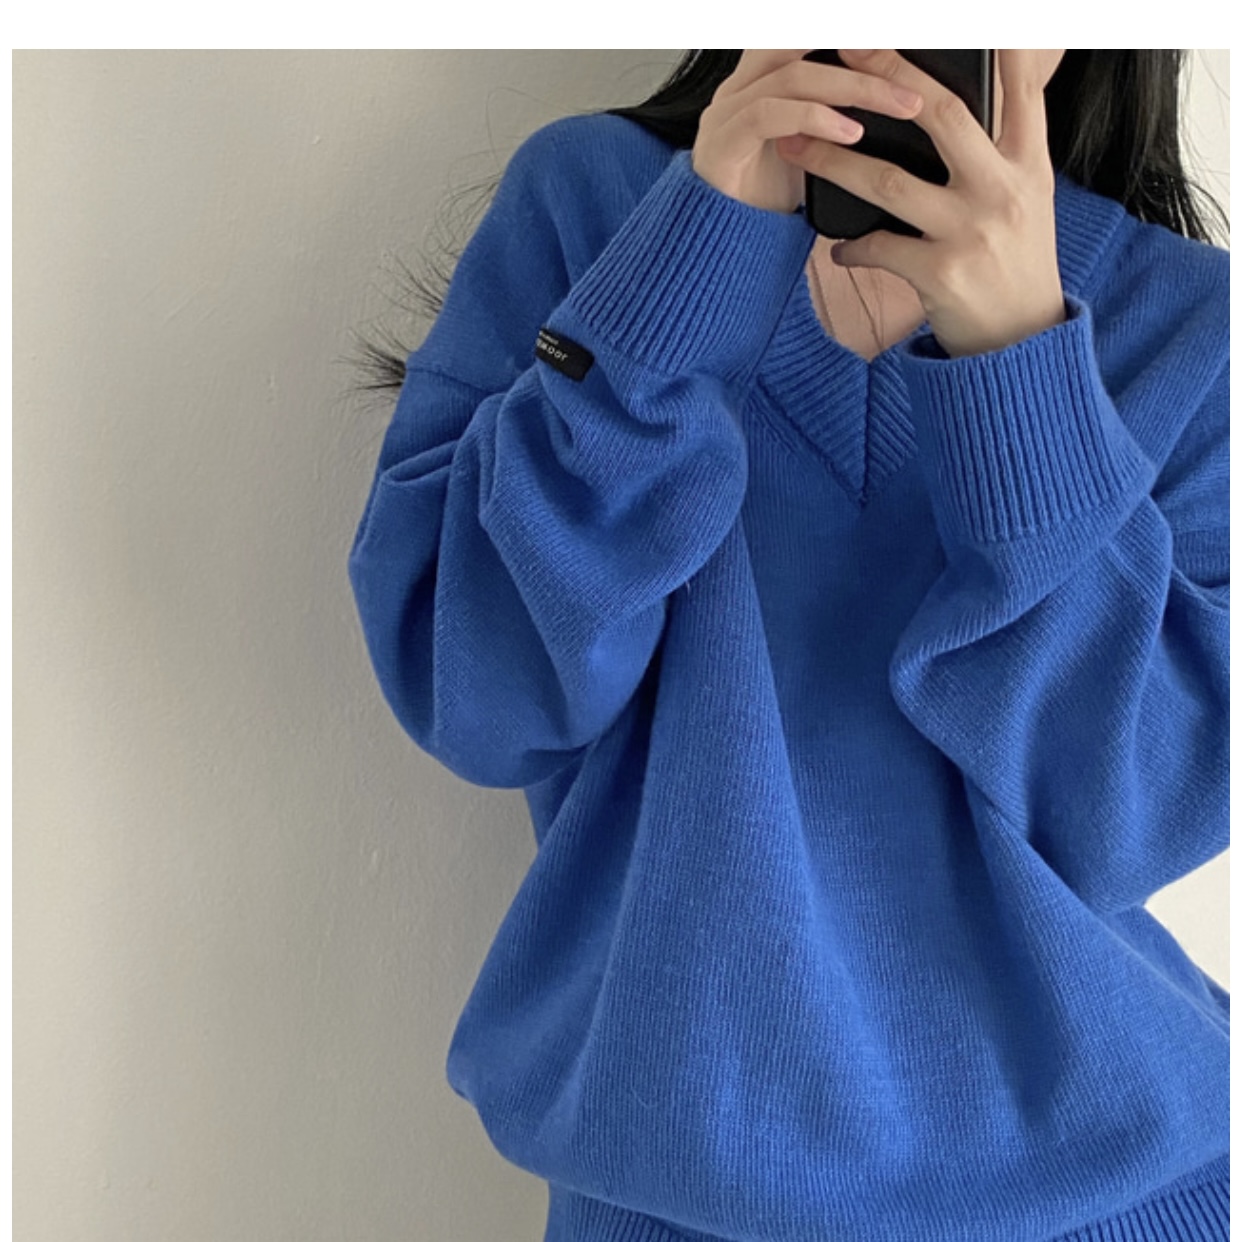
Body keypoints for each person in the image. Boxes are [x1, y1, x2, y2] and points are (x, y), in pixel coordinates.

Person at [347, 50, 1230, 1242]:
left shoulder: (1188, 324)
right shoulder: (592, 208)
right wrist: (691, 264)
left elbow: (1134, 810)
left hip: (1121, 1195)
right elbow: (475, 692)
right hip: (668, 1200)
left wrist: (1021, 364)